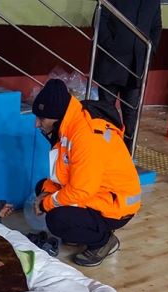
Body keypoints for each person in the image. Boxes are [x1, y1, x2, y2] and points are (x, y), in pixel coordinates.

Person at [32, 79, 141, 267]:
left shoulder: (86, 136)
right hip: (96, 193)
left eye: (41, 119)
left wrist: (46, 204)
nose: (37, 124)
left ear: (56, 116)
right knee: (41, 186)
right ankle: (81, 228)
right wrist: (46, 192)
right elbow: (65, 174)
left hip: (115, 206)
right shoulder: (69, 127)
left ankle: (104, 241)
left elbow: (81, 191)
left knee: (56, 219)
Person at [94, 0, 162, 152]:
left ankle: (126, 154)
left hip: (136, 67)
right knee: (106, 112)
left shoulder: (153, 2)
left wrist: (149, 52)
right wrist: (110, 46)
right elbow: (100, 18)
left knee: (131, 116)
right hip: (111, 63)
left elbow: (156, 28)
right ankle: (103, 151)